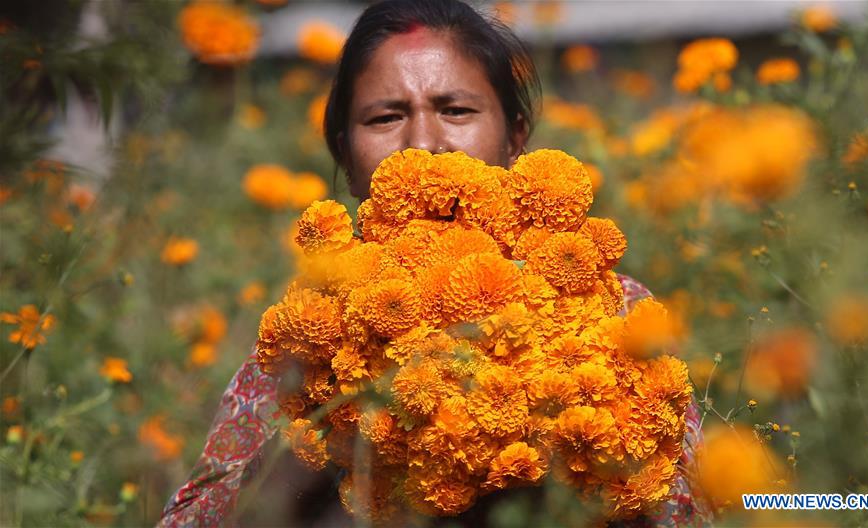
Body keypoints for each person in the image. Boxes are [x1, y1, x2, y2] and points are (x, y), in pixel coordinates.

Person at [159, 1, 713, 526]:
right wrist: (326, 435)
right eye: (385, 118)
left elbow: (694, 506)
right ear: (345, 160)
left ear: (514, 138)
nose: (424, 144)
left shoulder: (612, 309)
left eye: (455, 110)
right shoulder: (311, 339)